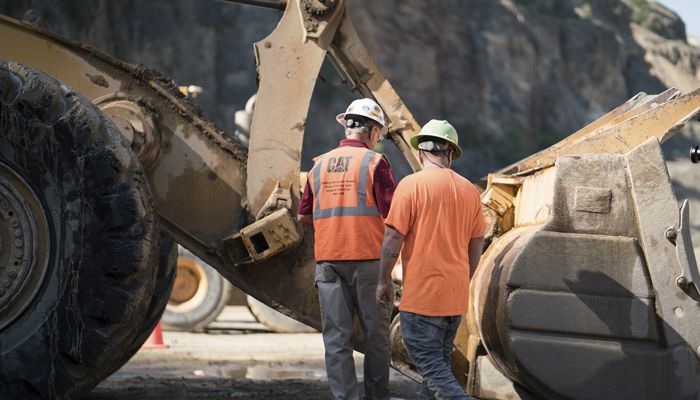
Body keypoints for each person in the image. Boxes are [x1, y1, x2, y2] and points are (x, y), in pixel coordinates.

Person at [376, 120, 485, 400]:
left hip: (423, 295)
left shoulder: (411, 186)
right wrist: (465, 279)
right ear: (450, 154)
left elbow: (392, 240)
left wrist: (383, 279)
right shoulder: (471, 191)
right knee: (438, 366)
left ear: (421, 153)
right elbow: (476, 245)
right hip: (453, 297)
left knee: (430, 364)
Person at [297, 98, 397, 400]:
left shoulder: (319, 165)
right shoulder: (375, 163)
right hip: (367, 262)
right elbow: (394, 213)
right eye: (378, 133)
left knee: (336, 339)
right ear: (373, 131)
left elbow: (303, 215)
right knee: (376, 338)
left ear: (347, 126)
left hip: (328, 263)